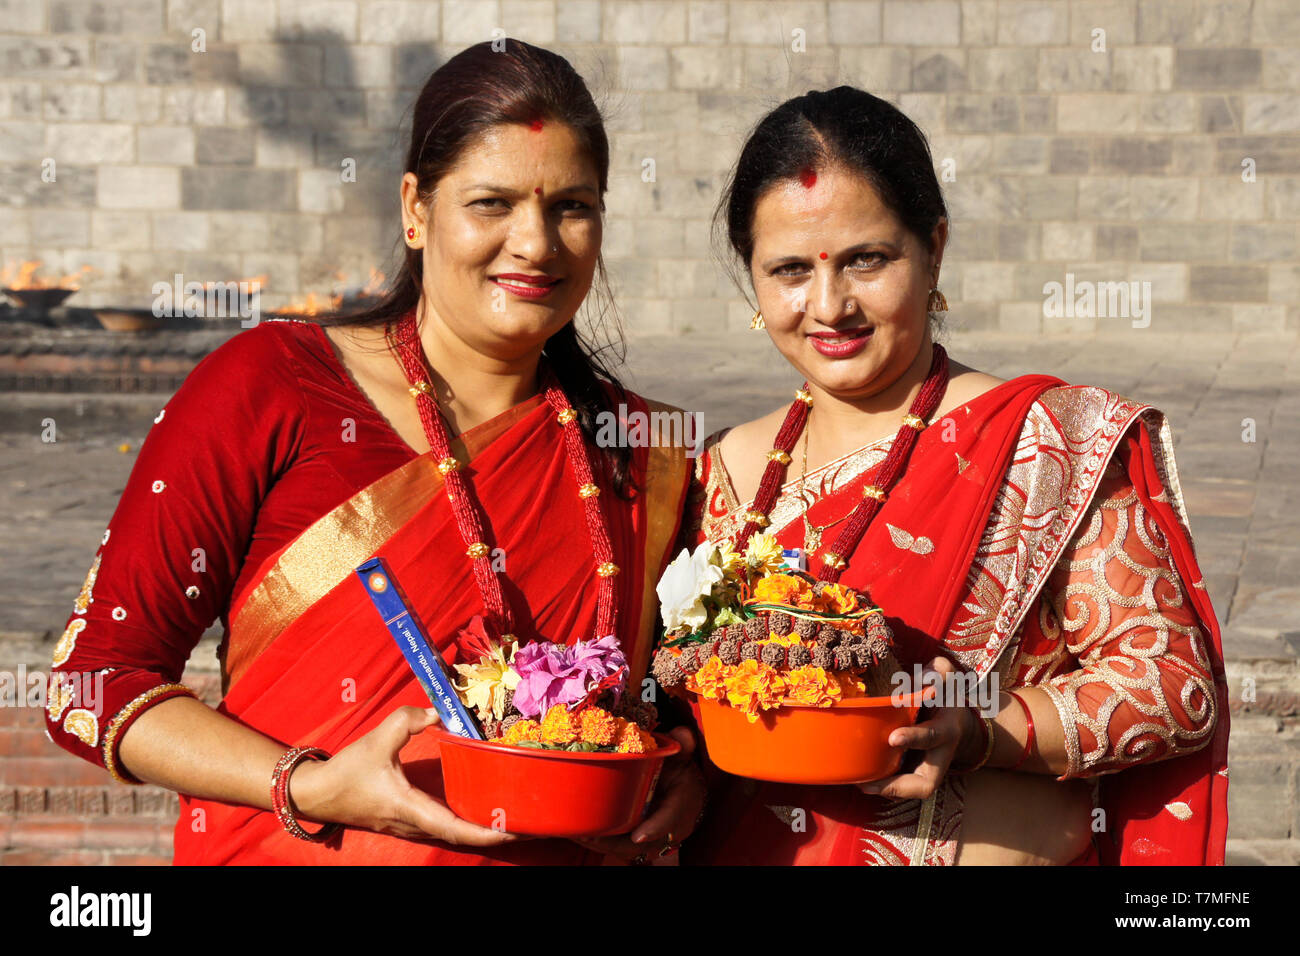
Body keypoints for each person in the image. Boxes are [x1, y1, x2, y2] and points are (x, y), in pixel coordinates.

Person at [45, 40, 705, 865]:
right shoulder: (270, 386)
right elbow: (93, 685)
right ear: (415, 210)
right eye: (492, 204)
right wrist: (304, 785)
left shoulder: (646, 454)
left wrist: (691, 775)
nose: (536, 243)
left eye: (572, 206)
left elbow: (676, 707)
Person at [680, 87, 1228, 865]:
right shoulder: (721, 473)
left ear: (933, 247)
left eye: (868, 259)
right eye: (790, 270)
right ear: (753, 277)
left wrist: (983, 731)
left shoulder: (1046, 440)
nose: (830, 306)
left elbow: (1175, 686)